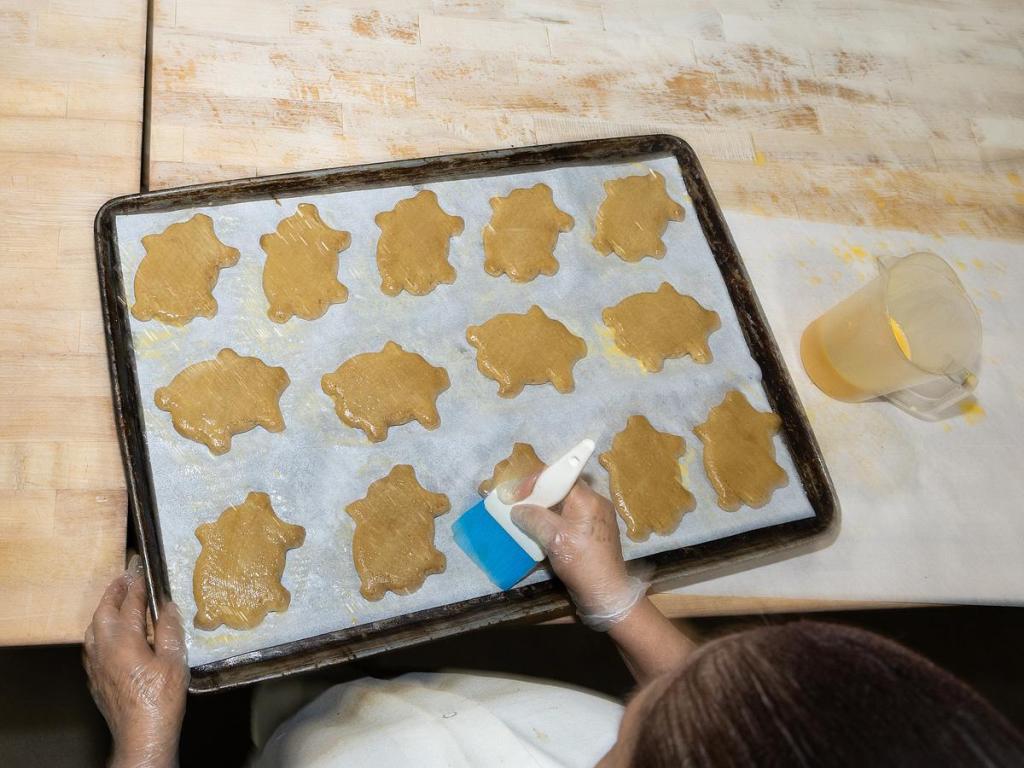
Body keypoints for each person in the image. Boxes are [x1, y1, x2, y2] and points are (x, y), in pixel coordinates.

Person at [84, 479, 1024, 767]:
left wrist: (144, 738)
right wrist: (620, 605)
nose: (671, 671)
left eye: (648, 720)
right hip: (443, 716)